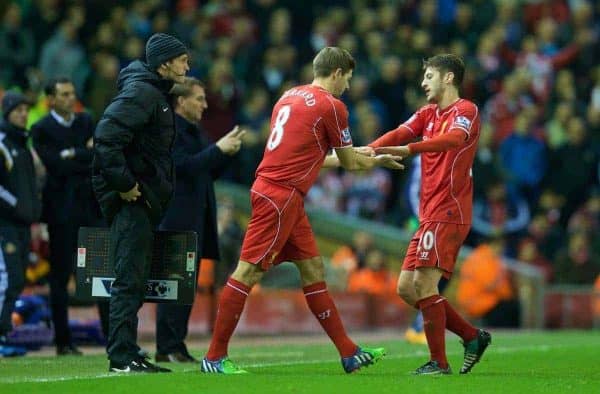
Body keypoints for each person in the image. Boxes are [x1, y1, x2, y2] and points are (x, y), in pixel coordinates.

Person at [200, 47, 404, 374]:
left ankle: (349, 352)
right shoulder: (332, 106)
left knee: (313, 270)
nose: (348, 86)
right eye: (347, 78)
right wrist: (374, 158)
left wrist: (365, 155)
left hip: (282, 194)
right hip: (279, 197)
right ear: (336, 73)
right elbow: (350, 163)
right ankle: (213, 357)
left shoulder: (289, 96)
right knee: (246, 273)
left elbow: (310, 157)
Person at [363, 54, 491, 375]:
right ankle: (471, 336)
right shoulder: (427, 113)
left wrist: (411, 150)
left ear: (448, 78)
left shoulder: (466, 111)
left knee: (425, 284)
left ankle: (438, 362)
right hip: (429, 212)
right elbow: (400, 132)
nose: (423, 82)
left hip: (449, 209)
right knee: (407, 288)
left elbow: (452, 141)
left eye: (430, 76)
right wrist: (370, 150)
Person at [92, 33, 189, 373]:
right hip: (133, 202)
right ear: (164, 63)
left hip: (143, 201)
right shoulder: (142, 93)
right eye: (181, 60)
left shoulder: (152, 93)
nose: (187, 66)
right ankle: (121, 356)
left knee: (133, 277)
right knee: (128, 278)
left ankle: (127, 350)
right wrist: (125, 185)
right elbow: (105, 139)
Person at [155, 77, 245, 363]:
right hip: (175, 217)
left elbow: (206, 171)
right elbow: (183, 167)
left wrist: (227, 154)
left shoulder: (195, 132)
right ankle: (166, 346)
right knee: (173, 284)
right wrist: (218, 149)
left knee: (185, 286)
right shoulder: (170, 131)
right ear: (181, 101)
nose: (205, 105)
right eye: (199, 99)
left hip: (194, 217)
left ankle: (175, 344)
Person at [31, 77, 106, 355]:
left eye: (71, 93)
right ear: (50, 99)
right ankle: (63, 341)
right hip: (60, 214)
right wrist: (82, 154)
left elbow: (97, 156)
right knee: (60, 276)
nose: (69, 98)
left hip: (90, 209)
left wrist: (72, 154)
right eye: (63, 94)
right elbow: (53, 166)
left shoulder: (86, 120)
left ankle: (113, 338)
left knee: (100, 273)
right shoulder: (40, 129)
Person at [0, 92, 41, 356]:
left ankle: (3, 334)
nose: (23, 114)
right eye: (18, 110)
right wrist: (18, 206)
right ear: (7, 113)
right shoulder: (3, 143)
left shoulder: (23, 144)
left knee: (16, 281)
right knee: (7, 279)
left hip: (22, 224)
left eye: (26, 109)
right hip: (5, 224)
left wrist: (32, 212)